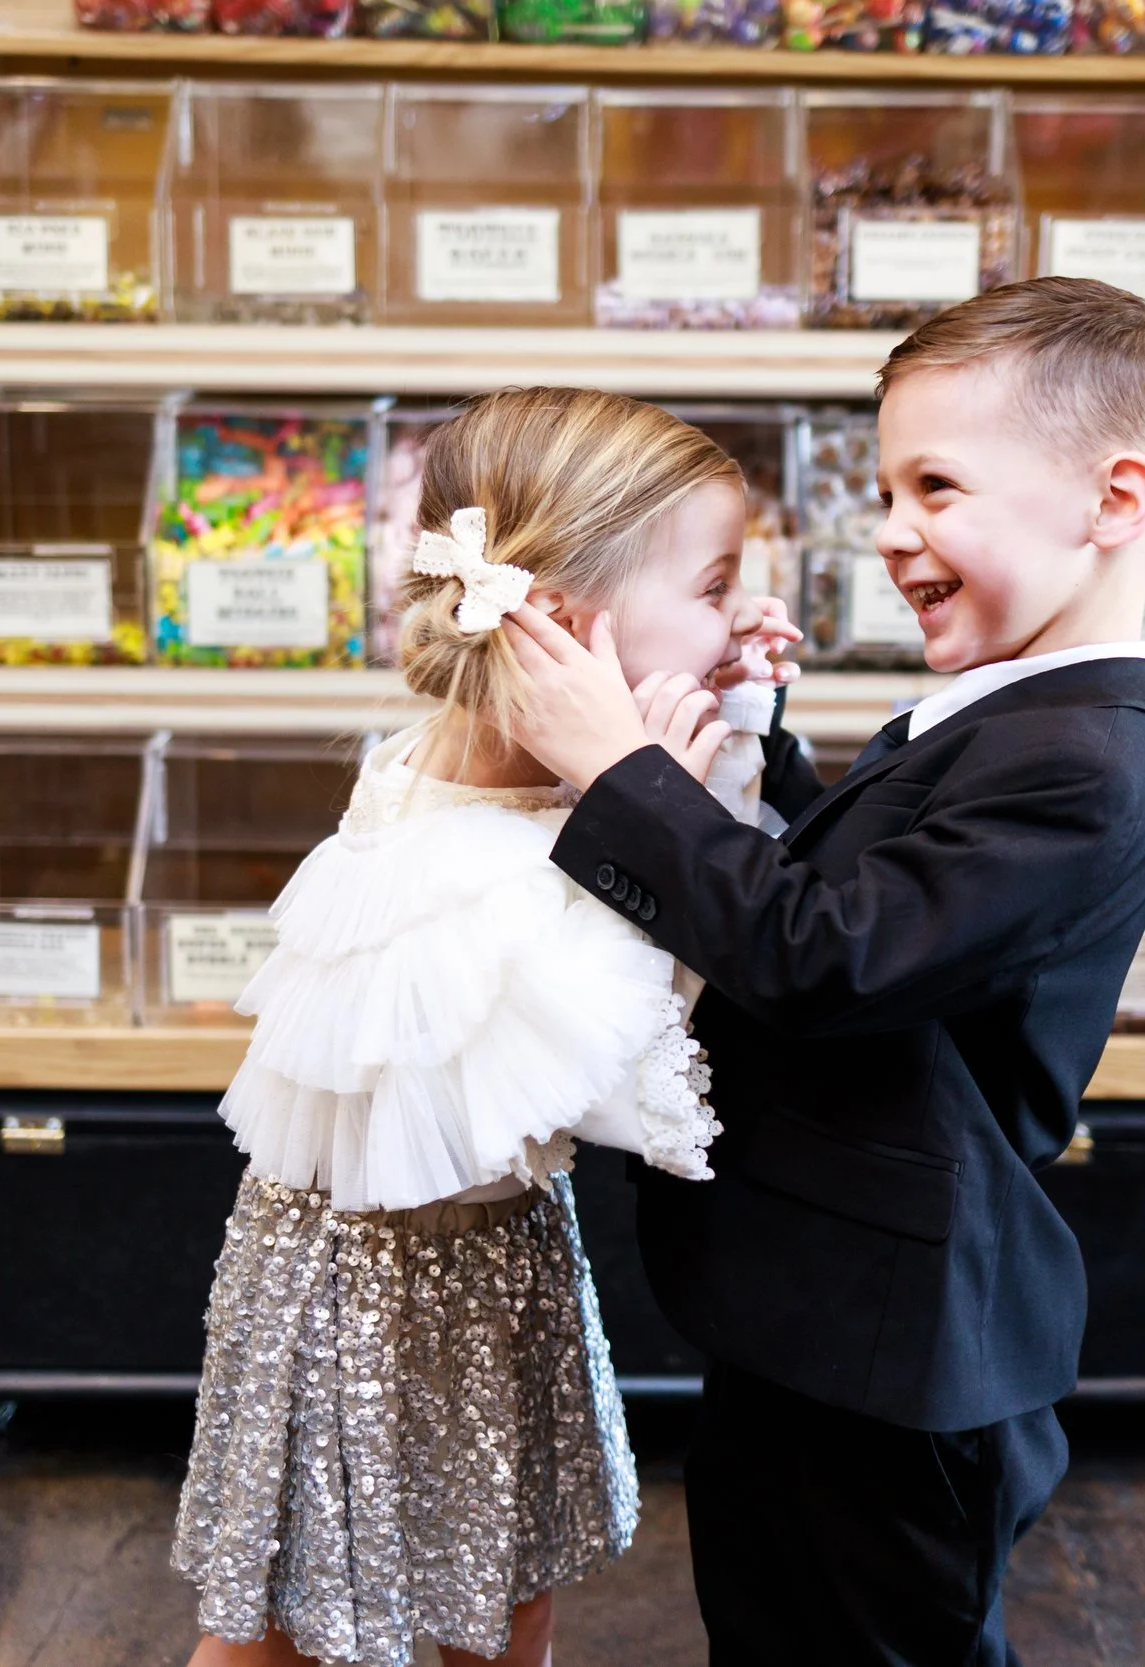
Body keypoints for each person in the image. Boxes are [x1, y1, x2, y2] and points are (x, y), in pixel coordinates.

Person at [503, 277, 1145, 1664]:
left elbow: (825, 955)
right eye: (888, 490)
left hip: (902, 1363)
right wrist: (754, 741)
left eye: (936, 487)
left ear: (1115, 499)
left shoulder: (1080, 762)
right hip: (832, 1322)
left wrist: (616, 768)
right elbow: (863, 888)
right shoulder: (1012, 712)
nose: (893, 533)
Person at [173, 386, 798, 1667]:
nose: (739, 614)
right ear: (574, 623)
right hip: (371, 1301)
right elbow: (627, 1064)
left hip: (485, 1262)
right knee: (289, 1633)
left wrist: (720, 734)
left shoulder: (531, 773)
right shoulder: (463, 837)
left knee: (498, 1605)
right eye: (717, 584)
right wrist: (667, 792)